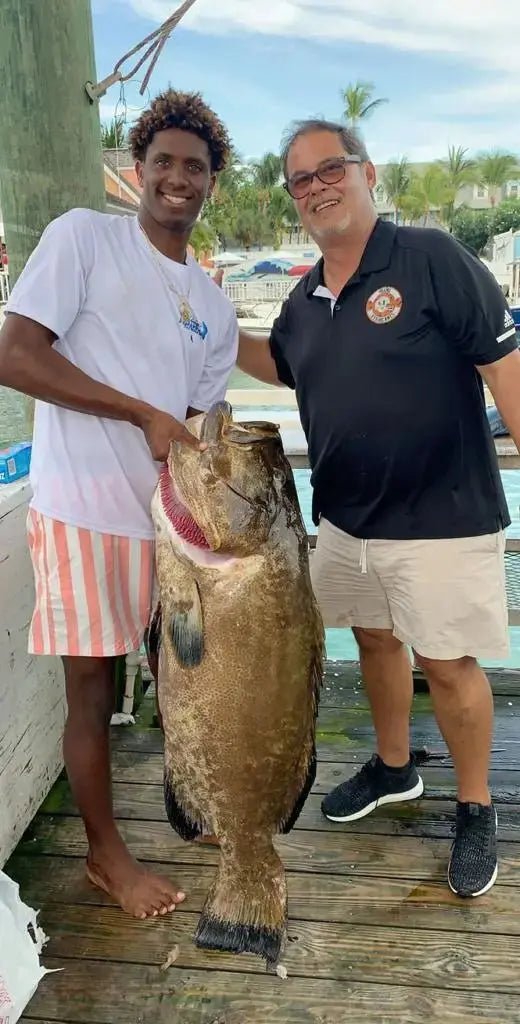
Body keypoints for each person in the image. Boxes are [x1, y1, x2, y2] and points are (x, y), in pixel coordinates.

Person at [237, 118, 520, 898]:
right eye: (301, 179)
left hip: (441, 519)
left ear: (368, 173)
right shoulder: (305, 296)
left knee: (450, 664)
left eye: (331, 168)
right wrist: (216, 333)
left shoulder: (431, 259)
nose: (317, 186)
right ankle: (395, 767)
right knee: (372, 639)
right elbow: (283, 362)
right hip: (345, 519)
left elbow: (506, 373)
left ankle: (474, 804)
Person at [0, 90, 238, 918]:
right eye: (164, 162)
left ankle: (197, 802)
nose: (178, 178)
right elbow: (16, 354)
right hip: (84, 512)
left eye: (196, 167)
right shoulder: (82, 239)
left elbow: (203, 426)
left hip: (172, 530)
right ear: (137, 170)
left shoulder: (212, 303)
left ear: (214, 183)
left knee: (183, 677)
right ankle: (106, 855)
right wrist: (138, 412)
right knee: (93, 692)